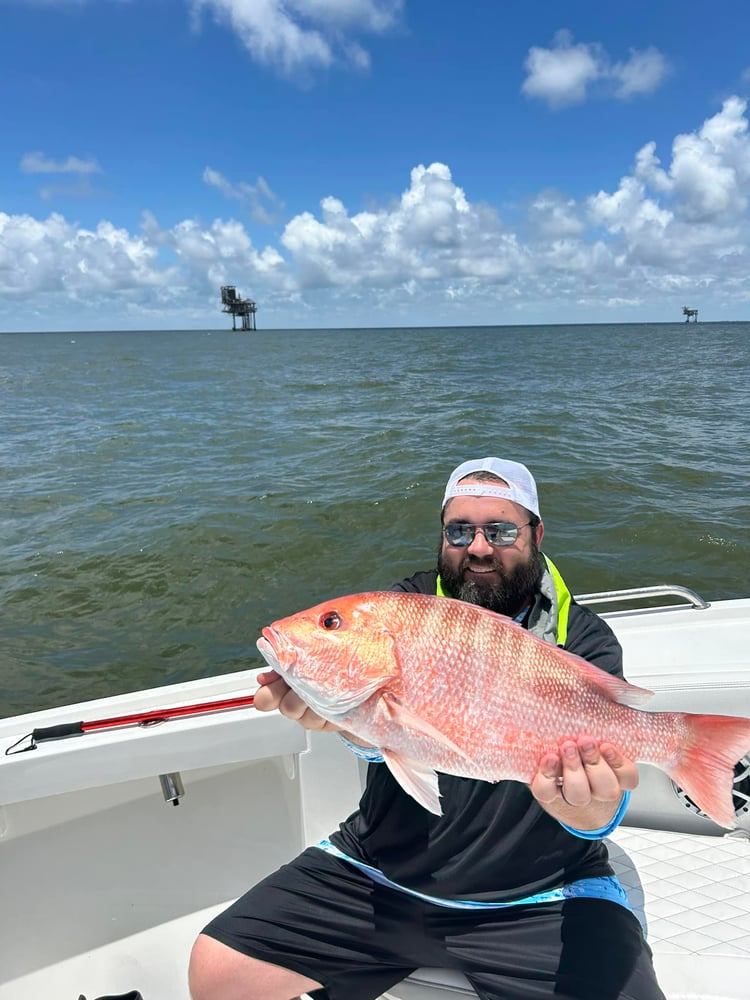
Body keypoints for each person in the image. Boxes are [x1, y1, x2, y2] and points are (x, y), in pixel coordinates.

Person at [189, 457, 665, 1000]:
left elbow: (601, 815)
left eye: (501, 530)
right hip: (380, 874)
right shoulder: (402, 607)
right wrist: (350, 728)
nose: (479, 547)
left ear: (537, 534)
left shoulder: (583, 639)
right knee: (218, 971)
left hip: (539, 894)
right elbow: (388, 740)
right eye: (460, 530)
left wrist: (582, 806)